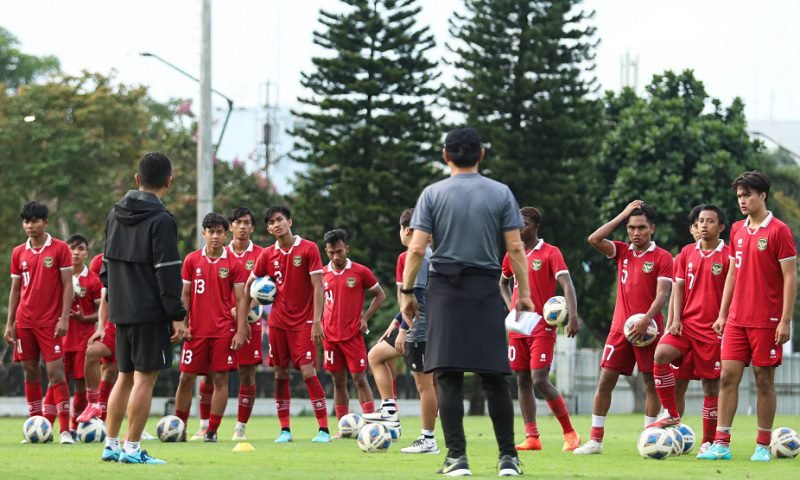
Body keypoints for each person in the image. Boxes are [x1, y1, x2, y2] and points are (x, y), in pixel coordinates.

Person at [401, 127, 532, 476]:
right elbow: (516, 247)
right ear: (481, 155)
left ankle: (457, 458)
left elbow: (416, 248)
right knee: (494, 376)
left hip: (444, 290)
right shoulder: (501, 193)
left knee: (448, 375)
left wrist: (407, 292)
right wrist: (527, 294)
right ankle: (508, 458)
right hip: (486, 289)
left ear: (446, 155)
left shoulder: (431, 194)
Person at [699, 171, 797, 462]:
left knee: (763, 379)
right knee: (727, 377)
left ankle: (763, 445)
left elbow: (790, 277)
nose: (742, 200)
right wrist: (722, 313)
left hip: (766, 320)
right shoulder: (738, 231)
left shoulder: (779, 231)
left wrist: (785, 319)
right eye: (739, 196)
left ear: (762, 196)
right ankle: (721, 443)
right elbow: (732, 272)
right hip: (736, 320)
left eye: (748, 195)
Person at [101, 152, 187, 464]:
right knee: (144, 379)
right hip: (149, 312)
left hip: (121, 311)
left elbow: (105, 267)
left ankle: (110, 445)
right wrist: (176, 315)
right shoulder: (161, 220)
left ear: (137, 180)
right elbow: (167, 272)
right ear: (169, 181)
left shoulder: (114, 214)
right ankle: (132, 449)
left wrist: (118, 299)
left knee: (123, 376)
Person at [575, 200, 673, 455]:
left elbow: (662, 295)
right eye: (631, 227)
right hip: (620, 330)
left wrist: (645, 320)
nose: (636, 232)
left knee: (651, 383)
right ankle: (595, 440)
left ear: (651, 228)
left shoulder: (662, 257)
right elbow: (594, 239)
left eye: (641, 227)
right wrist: (623, 214)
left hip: (649, 331)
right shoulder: (621, 251)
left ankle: (649, 438)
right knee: (605, 381)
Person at [245, 206, 330, 443]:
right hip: (278, 323)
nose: (277, 224)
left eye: (280, 219)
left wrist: (317, 321)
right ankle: (285, 429)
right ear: (269, 229)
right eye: (272, 222)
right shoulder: (267, 255)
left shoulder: (308, 248)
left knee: (307, 371)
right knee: (280, 373)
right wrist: (246, 308)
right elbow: (251, 284)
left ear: (289, 221)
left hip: (304, 322)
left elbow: (318, 287)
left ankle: (323, 429)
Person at [647, 205, 728, 456]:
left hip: (713, 332)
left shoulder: (729, 256)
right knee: (660, 355)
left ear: (721, 227)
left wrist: (725, 320)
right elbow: (678, 290)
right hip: (686, 327)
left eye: (710, 221)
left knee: (710, 388)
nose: (704, 225)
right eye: (700, 221)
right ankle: (671, 414)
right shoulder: (685, 253)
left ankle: (708, 441)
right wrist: (675, 319)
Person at [499, 207, 581, 452]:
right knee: (522, 380)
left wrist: (573, 316)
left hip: (541, 327)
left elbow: (567, 284)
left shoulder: (550, 253)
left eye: (523, 223)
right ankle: (532, 437)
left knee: (539, 380)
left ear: (535, 226)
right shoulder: (511, 253)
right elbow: (502, 283)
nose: (518, 228)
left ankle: (570, 433)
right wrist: (510, 307)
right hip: (517, 328)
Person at [190, 207, 265, 442]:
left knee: (247, 375)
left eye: (247, 223)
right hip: (218, 325)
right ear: (230, 227)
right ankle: (204, 426)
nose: (242, 227)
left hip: (248, 324)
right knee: (210, 375)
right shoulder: (218, 252)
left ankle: (240, 428)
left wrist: (248, 308)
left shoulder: (262, 255)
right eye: (238, 223)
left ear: (252, 227)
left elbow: (269, 290)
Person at [174, 213, 248, 442]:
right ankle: (180, 428)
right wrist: (182, 324)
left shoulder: (234, 263)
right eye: (211, 231)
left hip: (222, 331)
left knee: (220, 380)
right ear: (204, 233)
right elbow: (184, 296)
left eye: (219, 232)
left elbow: (241, 299)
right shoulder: (192, 260)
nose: (215, 236)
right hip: (195, 331)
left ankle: (212, 431)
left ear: (226, 234)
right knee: (186, 379)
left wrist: (241, 329)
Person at [4, 201, 74, 444]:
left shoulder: (60, 249)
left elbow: (68, 286)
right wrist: (9, 323)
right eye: (26, 221)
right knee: (30, 372)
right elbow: (15, 289)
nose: (29, 226)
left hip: (50, 323)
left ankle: (65, 430)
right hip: (24, 323)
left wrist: (64, 317)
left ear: (45, 222)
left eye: (34, 221)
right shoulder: (18, 252)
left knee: (56, 374)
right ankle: (35, 425)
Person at [321, 229, 385, 430]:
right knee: (338, 381)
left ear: (346, 249)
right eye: (332, 253)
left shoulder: (359, 271)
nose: (336, 256)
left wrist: (365, 317)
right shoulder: (322, 274)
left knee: (359, 379)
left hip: (352, 336)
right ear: (326, 252)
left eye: (339, 251)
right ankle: (344, 427)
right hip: (329, 336)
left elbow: (380, 295)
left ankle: (369, 424)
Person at [63, 234, 102, 431]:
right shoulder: (59, 277)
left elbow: (101, 313)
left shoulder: (94, 281)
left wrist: (83, 318)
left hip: (82, 342)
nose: (75, 253)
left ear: (86, 253)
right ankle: (46, 424)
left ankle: (74, 427)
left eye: (80, 249)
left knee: (79, 387)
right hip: (60, 339)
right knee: (57, 384)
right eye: (72, 249)